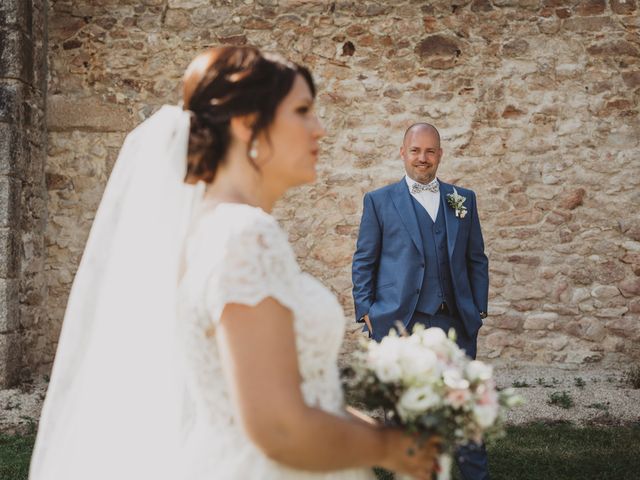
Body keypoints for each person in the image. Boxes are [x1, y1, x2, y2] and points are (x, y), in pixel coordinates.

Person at [29, 47, 441, 480]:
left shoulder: (224, 226)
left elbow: (290, 396)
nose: (319, 129)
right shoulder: (243, 237)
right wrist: (391, 448)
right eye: (302, 111)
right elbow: (279, 428)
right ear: (248, 125)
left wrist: (389, 437)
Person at [351, 123, 490, 480]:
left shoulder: (463, 199)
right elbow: (364, 261)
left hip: (454, 322)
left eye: (430, 151)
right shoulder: (379, 201)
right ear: (402, 153)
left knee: (465, 407)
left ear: (440, 155)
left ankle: (476, 475)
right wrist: (367, 312)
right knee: (403, 412)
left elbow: (476, 259)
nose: (422, 158)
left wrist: (478, 309)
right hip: (399, 322)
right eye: (415, 150)